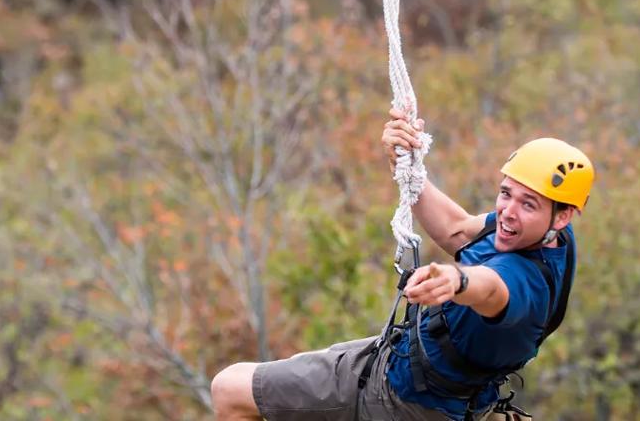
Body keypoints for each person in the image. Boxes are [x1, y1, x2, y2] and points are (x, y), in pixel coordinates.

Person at [211, 108, 594, 421]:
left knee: (230, 390)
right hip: (411, 370)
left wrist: (454, 280)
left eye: (528, 204)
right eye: (506, 193)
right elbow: (459, 233)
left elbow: (489, 286)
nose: (508, 212)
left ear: (563, 216)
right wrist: (409, 169)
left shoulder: (525, 281)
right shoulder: (545, 234)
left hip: (405, 402)